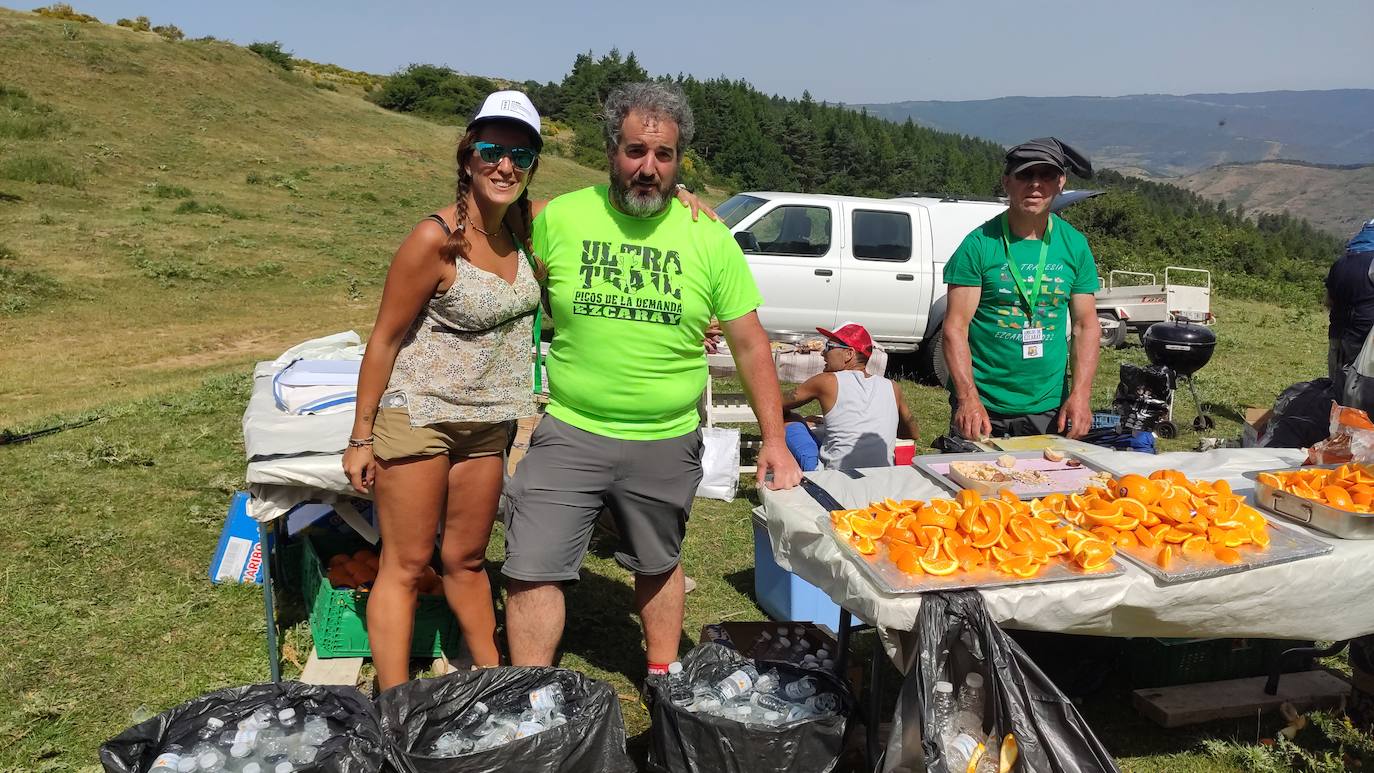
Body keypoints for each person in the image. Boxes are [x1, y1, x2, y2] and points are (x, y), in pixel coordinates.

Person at [340, 90, 712, 690]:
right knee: (406, 565)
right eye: (491, 149)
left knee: (464, 560)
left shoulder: (528, 227)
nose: (505, 165)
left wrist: (682, 198)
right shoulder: (434, 238)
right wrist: (361, 435)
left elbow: (638, 197)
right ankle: (392, 703)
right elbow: (382, 340)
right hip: (419, 417)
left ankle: (495, 685)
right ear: (468, 155)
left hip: (490, 425)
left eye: (521, 154)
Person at [501, 81, 802, 677]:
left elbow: (749, 343)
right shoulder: (558, 218)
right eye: (636, 151)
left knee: (658, 562)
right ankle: (528, 693)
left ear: (678, 161)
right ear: (612, 150)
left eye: (664, 156)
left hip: (666, 438)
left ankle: (663, 676)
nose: (648, 168)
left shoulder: (709, 236)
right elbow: (487, 225)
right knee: (532, 566)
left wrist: (773, 439)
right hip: (569, 430)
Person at [942, 137, 1102, 441]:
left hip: (1048, 404)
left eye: (1046, 176)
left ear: (1061, 183)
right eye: (1025, 175)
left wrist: (1081, 395)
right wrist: (967, 399)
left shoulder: (1074, 245)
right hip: (984, 405)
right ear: (1007, 182)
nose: (1036, 185)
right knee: (976, 487)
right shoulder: (978, 245)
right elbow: (955, 328)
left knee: (1045, 486)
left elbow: (1086, 325)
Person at [782, 322, 920, 470]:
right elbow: (912, 433)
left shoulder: (827, 381)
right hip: (883, 477)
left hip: (834, 480)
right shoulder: (892, 387)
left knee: (790, 420)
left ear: (849, 353)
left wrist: (800, 419)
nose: (822, 353)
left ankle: (811, 472)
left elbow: (776, 404)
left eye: (829, 347)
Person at [1325, 218, 1374, 399]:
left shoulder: (1341, 262)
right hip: (1364, 336)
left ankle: (1334, 421)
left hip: (1337, 334)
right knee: (1360, 391)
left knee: (1337, 385)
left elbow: (1328, 300)